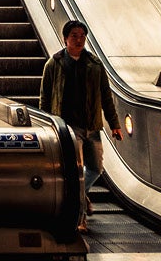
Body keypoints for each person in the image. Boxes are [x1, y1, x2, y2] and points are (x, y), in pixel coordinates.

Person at [40, 20, 112, 202]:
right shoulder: (54, 64)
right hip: (69, 126)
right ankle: (79, 210)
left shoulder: (95, 64)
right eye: (74, 36)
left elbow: (106, 96)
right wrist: (46, 124)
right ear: (65, 39)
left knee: (96, 168)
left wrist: (115, 124)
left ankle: (80, 196)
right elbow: (45, 97)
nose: (79, 40)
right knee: (76, 169)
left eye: (82, 36)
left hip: (92, 126)